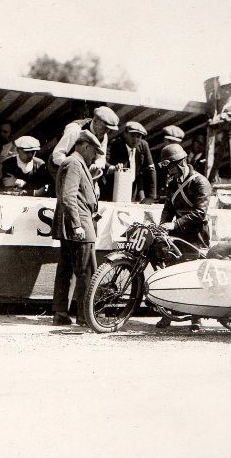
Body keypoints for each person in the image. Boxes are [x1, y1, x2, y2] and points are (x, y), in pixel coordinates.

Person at [156, 143, 212, 331]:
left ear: (179, 163)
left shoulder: (200, 182)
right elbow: (168, 208)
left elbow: (200, 213)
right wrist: (163, 225)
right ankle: (167, 315)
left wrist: (175, 224)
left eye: (170, 167)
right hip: (178, 233)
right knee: (170, 273)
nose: (169, 172)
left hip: (196, 235)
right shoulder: (172, 184)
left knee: (194, 276)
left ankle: (196, 319)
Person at [51, 130, 104, 326]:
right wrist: (77, 225)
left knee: (65, 270)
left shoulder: (76, 163)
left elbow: (75, 194)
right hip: (79, 224)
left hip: (72, 224)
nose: (95, 158)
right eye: (94, 153)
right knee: (86, 271)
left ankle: (61, 313)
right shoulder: (74, 163)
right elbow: (68, 196)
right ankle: (84, 316)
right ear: (85, 147)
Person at [48, 105, 119, 185]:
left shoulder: (104, 135)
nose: (106, 132)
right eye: (105, 128)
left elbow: (101, 158)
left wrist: (96, 165)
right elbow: (57, 155)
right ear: (95, 121)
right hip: (59, 166)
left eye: (109, 129)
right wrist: (75, 169)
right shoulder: (75, 129)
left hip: (80, 170)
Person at [104, 121, 156, 203]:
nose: (135, 140)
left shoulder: (144, 145)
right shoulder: (115, 144)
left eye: (139, 136)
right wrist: (113, 167)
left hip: (134, 188)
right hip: (115, 187)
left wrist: (152, 196)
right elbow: (104, 161)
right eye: (132, 136)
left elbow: (151, 170)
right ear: (125, 134)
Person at [156, 125, 186, 200]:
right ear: (165, 141)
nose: (173, 145)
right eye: (171, 142)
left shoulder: (181, 159)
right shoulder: (156, 156)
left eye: (176, 143)